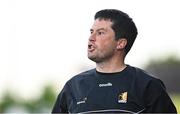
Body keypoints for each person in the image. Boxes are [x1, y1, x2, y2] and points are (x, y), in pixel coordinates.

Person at [52, 9, 177, 113]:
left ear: (120, 43)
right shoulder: (73, 87)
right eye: (91, 32)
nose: (91, 38)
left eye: (100, 33)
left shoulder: (148, 85)